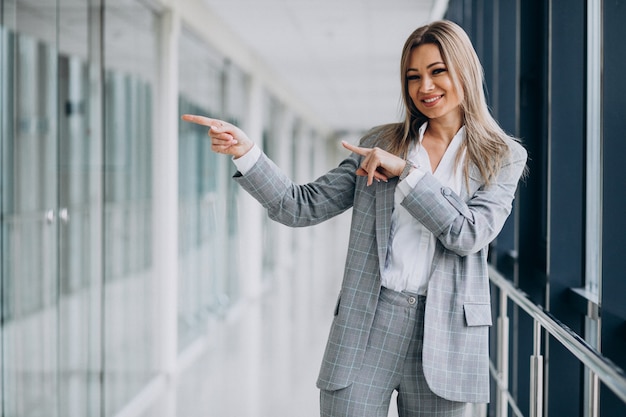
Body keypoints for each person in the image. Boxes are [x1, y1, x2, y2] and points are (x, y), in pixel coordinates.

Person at [183, 19, 527, 417]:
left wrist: (407, 174)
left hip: (446, 333)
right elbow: (300, 205)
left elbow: (469, 233)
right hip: (368, 324)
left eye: (437, 71)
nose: (425, 88)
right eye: (413, 77)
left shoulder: (501, 156)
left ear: (463, 70)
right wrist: (247, 153)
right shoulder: (381, 144)